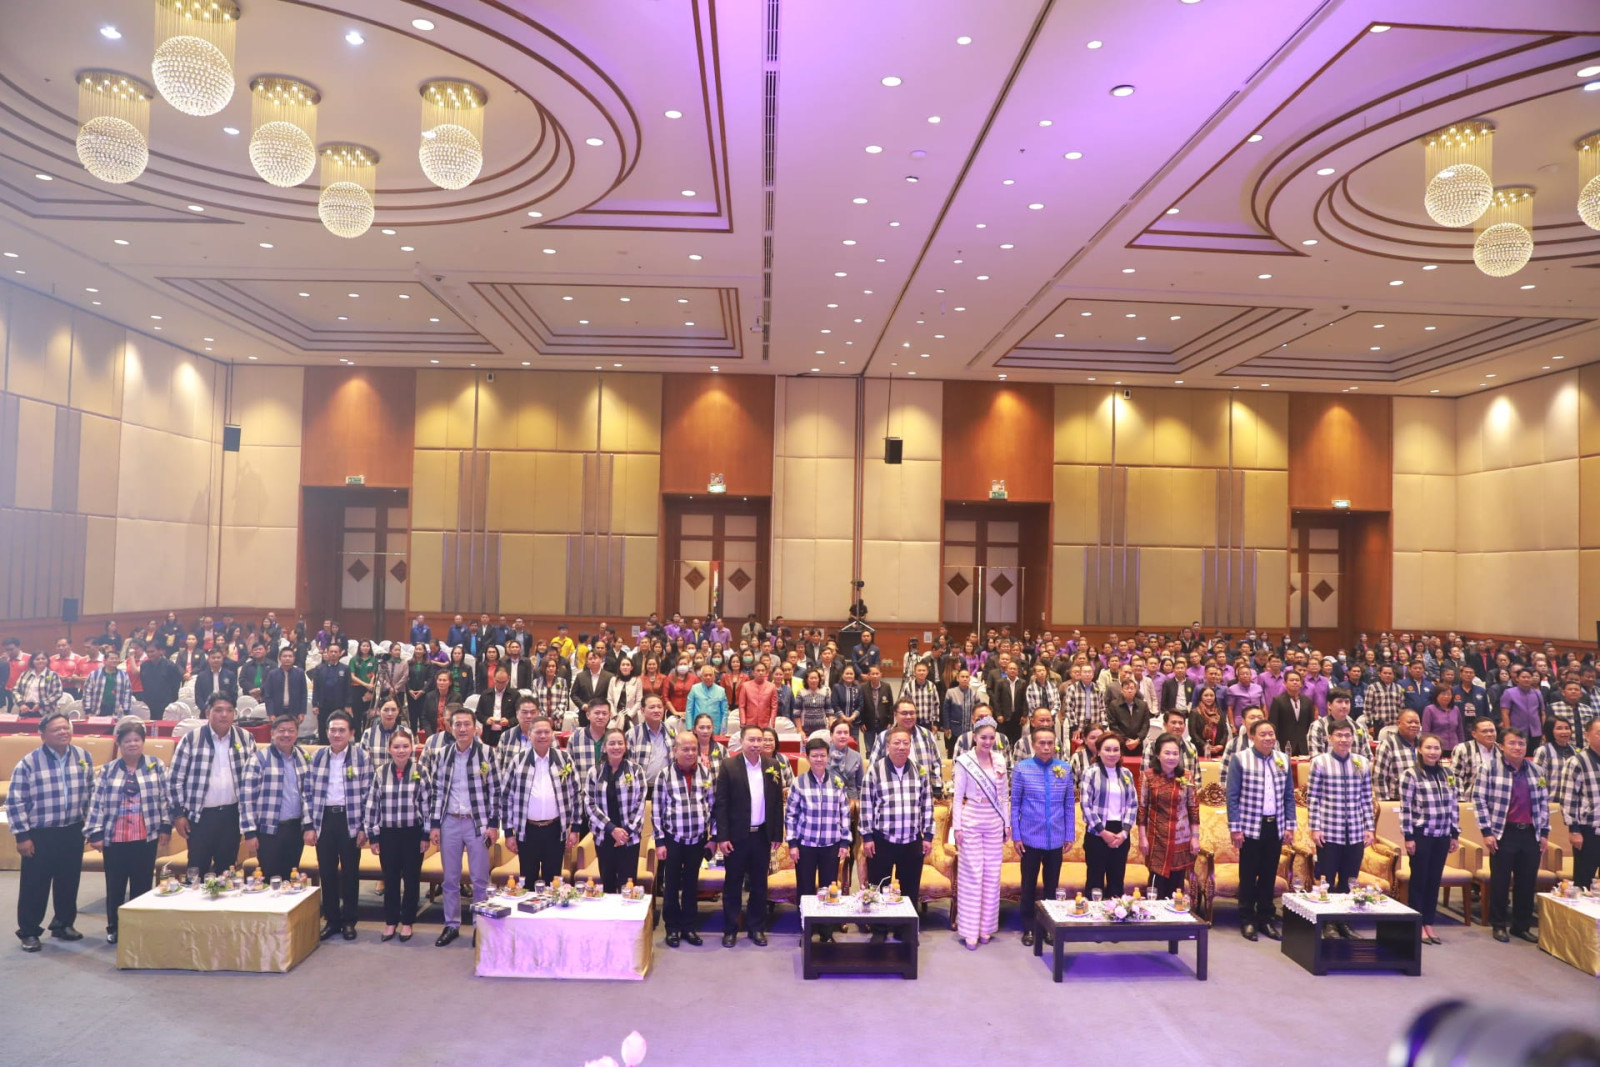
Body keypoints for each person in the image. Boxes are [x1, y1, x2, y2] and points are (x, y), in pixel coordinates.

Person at [8, 712, 94, 950]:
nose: (63, 732)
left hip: (73, 830)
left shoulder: (83, 757)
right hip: (41, 833)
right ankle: (29, 931)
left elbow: (91, 793)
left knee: (69, 881)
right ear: (43, 735)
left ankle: (63, 924)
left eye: (66, 728)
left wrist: (91, 825)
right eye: (56, 729)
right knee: (35, 884)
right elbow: (15, 802)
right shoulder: (29, 763)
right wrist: (22, 836)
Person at [426, 705, 502, 947]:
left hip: (477, 822)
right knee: (450, 878)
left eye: (466, 724)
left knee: (480, 879)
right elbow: (437, 791)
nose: (462, 729)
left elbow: (496, 790)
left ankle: (480, 925)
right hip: (449, 821)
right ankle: (451, 924)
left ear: (475, 728)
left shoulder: (487, 753)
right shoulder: (443, 754)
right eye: (457, 724)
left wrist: (493, 823)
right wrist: (434, 824)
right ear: (450, 727)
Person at [168, 693, 260, 875]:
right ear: (208, 712)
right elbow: (175, 780)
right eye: (218, 710)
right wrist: (178, 814)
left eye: (229, 710)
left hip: (232, 816)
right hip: (200, 817)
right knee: (197, 869)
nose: (224, 715)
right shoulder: (192, 739)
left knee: (227, 871)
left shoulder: (245, 738)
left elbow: (254, 779)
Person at [1474, 727, 1550, 943]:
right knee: (1500, 881)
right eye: (1512, 743)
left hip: (1531, 833)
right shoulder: (1489, 768)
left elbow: (1543, 803)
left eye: (1521, 744)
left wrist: (1544, 832)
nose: (1517, 747)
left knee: (1527, 882)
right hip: (1503, 832)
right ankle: (1498, 924)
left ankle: (1521, 925)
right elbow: (1479, 800)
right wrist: (1486, 831)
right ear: (1501, 746)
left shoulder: (1537, 770)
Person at [860, 725, 934, 944]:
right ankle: (879, 929)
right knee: (878, 885)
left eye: (905, 743)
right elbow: (866, 804)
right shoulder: (875, 770)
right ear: (888, 746)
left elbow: (927, 804)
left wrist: (928, 835)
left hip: (912, 840)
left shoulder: (919, 770)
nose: (901, 747)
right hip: (882, 839)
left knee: (909, 888)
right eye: (896, 743)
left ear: (910, 746)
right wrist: (867, 836)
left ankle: (905, 929)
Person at [303, 711, 373, 941]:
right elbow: (307, 792)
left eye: (342, 730)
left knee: (351, 872)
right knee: (327, 872)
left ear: (351, 733)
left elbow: (369, 794)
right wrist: (309, 825)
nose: (336, 734)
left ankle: (349, 921)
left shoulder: (361, 757)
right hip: (324, 820)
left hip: (350, 820)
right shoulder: (317, 757)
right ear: (326, 732)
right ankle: (332, 920)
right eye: (332, 730)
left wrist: (364, 827)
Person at [714, 724, 785, 946]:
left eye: (759, 740)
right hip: (736, 837)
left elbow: (777, 804)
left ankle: (756, 928)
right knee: (733, 884)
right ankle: (730, 929)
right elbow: (721, 804)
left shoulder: (772, 765)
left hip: (762, 835)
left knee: (759, 885)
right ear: (742, 741)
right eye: (751, 740)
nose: (756, 744)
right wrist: (722, 837)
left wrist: (777, 834)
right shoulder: (729, 766)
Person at [1225, 719, 1296, 942]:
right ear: (1252, 737)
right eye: (1263, 734)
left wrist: (1290, 825)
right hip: (1249, 827)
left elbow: (1288, 796)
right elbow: (1232, 797)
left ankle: (1266, 918)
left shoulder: (1283, 759)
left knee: (1268, 874)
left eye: (1271, 734)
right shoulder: (1241, 759)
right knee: (1248, 875)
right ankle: (1247, 919)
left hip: (1275, 825)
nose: (1268, 738)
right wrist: (1235, 828)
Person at [363, 727, 432, 943]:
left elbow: (427, 805)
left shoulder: (420, 771)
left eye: (405, 746)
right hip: (388, 834)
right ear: (389, 749)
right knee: (390, 879)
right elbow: (373, 805)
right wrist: (373, 836)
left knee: (411, 879)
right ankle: (391, 921)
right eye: (396, 747)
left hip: (413, 833)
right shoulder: (381, 772)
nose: (401, 750)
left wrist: (426, 835)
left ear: (412, 748)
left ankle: (408, 921)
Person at [1011, 724, 1075, 947]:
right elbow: (1014, 804)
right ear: (1033, 744)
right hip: (1029, 838)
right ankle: (1028, 927)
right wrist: (1016, 836)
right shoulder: (1022, 769)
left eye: (1050, 743)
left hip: (1055, 838)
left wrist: (1069, 834)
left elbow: (1069, 804)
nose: (1046, 747)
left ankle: (1049, 927)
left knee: (1051, 886)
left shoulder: (1064, 768)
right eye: (1042, 743)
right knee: (1028, 885)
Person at [1308, 719, 1376, 928]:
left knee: (1350, 880)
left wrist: (1369, 827)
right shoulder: (1320, 762)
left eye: (1348, 735)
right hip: (1329, 831)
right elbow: (1313, 797)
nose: (1344, 739)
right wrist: (1315, 827)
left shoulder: (1362, 762)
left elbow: (1367, 798)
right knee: (1327, 880)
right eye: (1339, 735)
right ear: (1330, 738)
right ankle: (1328, 924)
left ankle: (1345, 922)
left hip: (1355, 831)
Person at [785, 735, 853, 943]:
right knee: (805, 889)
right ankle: (806, 930)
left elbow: (845, 813)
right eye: (814, 756)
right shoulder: (798, 783)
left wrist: (844, 841)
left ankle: (826, 932)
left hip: (831, 845)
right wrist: (792, 843)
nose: (819, 759)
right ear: (808, 758)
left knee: (828, 889)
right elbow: (791, 815)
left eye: (822, 755)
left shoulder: (837, 782)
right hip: (805, 845)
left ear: (828, 757)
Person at [501, 715, 582, 888]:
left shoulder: (564, 759)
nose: (543, 736)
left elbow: (576, 794)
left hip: (555, 830)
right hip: (527, 830)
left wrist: (575, 829)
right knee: (527, 881)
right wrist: (508, 833)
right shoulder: (518, 760)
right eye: (538, 732)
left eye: (547, 732)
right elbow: (506, 797)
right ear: (529, 735)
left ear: (552, 734)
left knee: (553, 882)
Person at [951, 716, 1010, 949]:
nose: (987, 742)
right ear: (974, 737)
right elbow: (957, 797)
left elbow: (1004, 796)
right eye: (983, 737)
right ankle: (969, 930)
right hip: (971, 819)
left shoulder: (1000, 760)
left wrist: (1006, 823)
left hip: (994, 820)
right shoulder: (964, 761)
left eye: (991, 738)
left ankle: (986, 927)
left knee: (992, 874)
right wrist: (957, 827)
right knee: (972, 874)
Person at [653, 732, 716, 947]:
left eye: (694, 749)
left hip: (698, 839)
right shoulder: (664, 775)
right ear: (675, 751)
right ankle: (672, 928)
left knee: (691, 884)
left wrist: (713, 838)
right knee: (671, 885)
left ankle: (689, 927)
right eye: (685, 749)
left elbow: (713, 806)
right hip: (673, 838)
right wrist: (660, 841)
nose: (690, 753)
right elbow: (657, 810)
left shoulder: (706, 773)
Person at [1400, 733, 1460, 945]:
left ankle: (1429, 922)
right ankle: (1417, 924)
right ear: (1420, 749)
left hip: (1442, 835)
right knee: (1419, 881)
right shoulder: (1411, 774)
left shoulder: (1448, 774)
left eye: (1436, 748)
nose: (1433, 752)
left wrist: (1455, 833)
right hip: (1421, 835)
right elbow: (1405, 808)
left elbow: (1454, 805)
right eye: (1428, 748)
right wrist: (1408, 836)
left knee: (1434, 881)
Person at [1139, 732, 1200, 900]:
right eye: (1167, 753)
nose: (1171, 757)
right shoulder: (1148, 776)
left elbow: (1193, 808)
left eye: (1175, 753)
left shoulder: (1186, 776)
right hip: (1157, 838)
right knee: (1156, 886)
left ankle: (1176, 915)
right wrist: (1142, 838)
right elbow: (1142, 809)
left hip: (1181, 839)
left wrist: (1195, 837)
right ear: (1158, 755)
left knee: (1176, 887)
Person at [585, 729, 646, 894]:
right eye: (612, 743)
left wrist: (625, 833)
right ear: (604, 747)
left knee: (628, 885)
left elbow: (640, 804)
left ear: (626, 747)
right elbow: (589, 804)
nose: (616, 747)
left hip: (629, 838)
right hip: (604, 836)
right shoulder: (594, 772)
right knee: (608, 884)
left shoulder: (636, 771)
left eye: (620, 743)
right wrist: (612, 829)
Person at [253, 715, 310, 883]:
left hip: (295, 829)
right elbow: (247, 798)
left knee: (291, 878)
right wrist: (249, 832)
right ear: (272, 733)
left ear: (297, 733)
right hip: (269, 831)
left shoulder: (303, 756)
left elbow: (308, 794)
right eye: (282, 730)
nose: (286, 734)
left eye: (291, 731)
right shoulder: (259, 759)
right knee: (270, 879)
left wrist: (308, 825)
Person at [1081, 733, 1137, 899]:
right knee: (1095, 882)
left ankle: (1116, 913)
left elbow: (1133, 804)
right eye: (1107, 749)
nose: (1112, 753)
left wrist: (1124, 832)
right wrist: (1102, 832)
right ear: (1098, 751)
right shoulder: (1091, 773)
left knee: (1116, 882)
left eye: (1115, 750)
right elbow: (1086, 805)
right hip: (1097, 833)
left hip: (1120, 832)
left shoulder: (1126, 774)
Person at [868, 700, 944, 797]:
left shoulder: (926, 735)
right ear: (895, 714)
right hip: (891, 795)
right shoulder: (883, 737)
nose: (908, 717)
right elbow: (873, 766)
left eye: (912, 713)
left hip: (922, 794)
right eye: (904, 713)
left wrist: (937, 788)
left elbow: (936, 763)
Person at [1564, 716, 1600, 890]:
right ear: (1587, 735)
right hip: (1588, 829)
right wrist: (1574, 829)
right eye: (1599, 733)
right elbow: (1569, 797)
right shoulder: (1577, 761)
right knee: (1584, 882)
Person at [1374, 709, 1423, 801]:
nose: (1414, 725)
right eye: (1410, 722)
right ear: (1399, 723)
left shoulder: (1423, 744)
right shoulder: (1388, 744)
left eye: (1417, 722)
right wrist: (1384, 803)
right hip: (1396, 799)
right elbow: (1379, 777)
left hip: (1420, 800)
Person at [1307, 688, 1369, 758]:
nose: (1344, 706)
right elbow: (1316, 758)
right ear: (1329, 705)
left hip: (1354, 765)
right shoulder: (1318, 726)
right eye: (1339, 702)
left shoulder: (1358, 727)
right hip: (1327, 764)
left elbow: (1367, 757)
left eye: (1347, 702)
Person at [1450, 716, 1501, 801]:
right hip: (1469, 801)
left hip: (1496, 801)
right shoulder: (1463, 749)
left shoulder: (1501, 750)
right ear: (1474, 734)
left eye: (1492, 731)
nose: (1489, 734)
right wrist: (1459, 800)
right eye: (1484, 731)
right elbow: (1453, 776)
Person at [1267, 670, 1316, 757]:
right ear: (1285, 683)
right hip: (1285, 744)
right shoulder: (1278, 701)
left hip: (1304, 745)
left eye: (1297, 680)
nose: (1295, 682)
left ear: (1301, 683)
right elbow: (1273, 723)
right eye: (1292, 680)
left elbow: (1311, 723)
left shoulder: (1307, 701)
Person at [264, 646, 309, 733]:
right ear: (280, 658)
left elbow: (303, 694)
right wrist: (270, 713)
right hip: (277, 711)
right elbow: (268, 695)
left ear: (294, 658)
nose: (287, 658)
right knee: (278, 733)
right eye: (285, 656)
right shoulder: (272, 674)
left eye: (290, 656)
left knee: (292, 733)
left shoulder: (299, 673)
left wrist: (302, 712)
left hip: (294, 711)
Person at [82, 650, 133, 718]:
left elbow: (127, 693)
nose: (114, 660)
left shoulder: (124, 675)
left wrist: (126, 710)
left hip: (117, 711)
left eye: (116, 658)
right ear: (105, 660)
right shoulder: (94, 674)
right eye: (112, 658)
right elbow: (87, 692)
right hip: (98, 710)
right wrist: (87, 710)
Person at [1532, 716, 1576, 791]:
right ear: (1550, 731)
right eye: (1559, 728)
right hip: (1551, 797)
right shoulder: (1543, 751)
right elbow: (1537, 778)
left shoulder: (1575, 751)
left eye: (1567, 728)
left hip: (1572, 796)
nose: (1564, 732)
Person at [362, 699, 405, 771]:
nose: (390, 713)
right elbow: (363, 762)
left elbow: (411, 762)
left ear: (398, 711)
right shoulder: (368, 734)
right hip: (375, 777)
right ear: (379, 711)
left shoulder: (406, 733)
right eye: (386, 710)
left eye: (393, 710)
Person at [686, 664, 729, 735]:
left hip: (715, 727)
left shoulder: (721, 691)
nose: (708, 677)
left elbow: (725, 713)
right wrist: (689, 728)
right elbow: (689, 710)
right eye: (705, 675)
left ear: (714, 676)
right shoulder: (694, 689)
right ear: (701, 677)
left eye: (710, 675)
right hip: (698, 726)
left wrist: (723, 730)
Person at [826, 718, 864, 799]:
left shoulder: (856, 756)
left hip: (852, 801)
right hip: (830, 799)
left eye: (846, 733)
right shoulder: (823, 755)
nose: (842, 736)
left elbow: (860, 786)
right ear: (831, 735)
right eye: (839, 733)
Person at [1421, 686, 1466, 754]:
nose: (1446, 696)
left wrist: (1462, 746)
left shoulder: (1456, 709)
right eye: (1443, 694)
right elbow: (1425, 732)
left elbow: (1460, 731)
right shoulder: (1429, 709)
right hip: (1437, 748)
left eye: (1449, 694)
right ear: (1436, 695)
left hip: (1455, 748)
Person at [794, 668, 834, 736]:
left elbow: (829, 711)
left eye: (816, 678)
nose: (814, 680)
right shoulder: (801, 693)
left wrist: (832, 727)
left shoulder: (825, 692)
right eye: (811, 678)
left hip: (822, 729)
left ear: (819, 679)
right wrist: (800, 730)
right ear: (806, 680)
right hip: (805, 729)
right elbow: (796, 713)